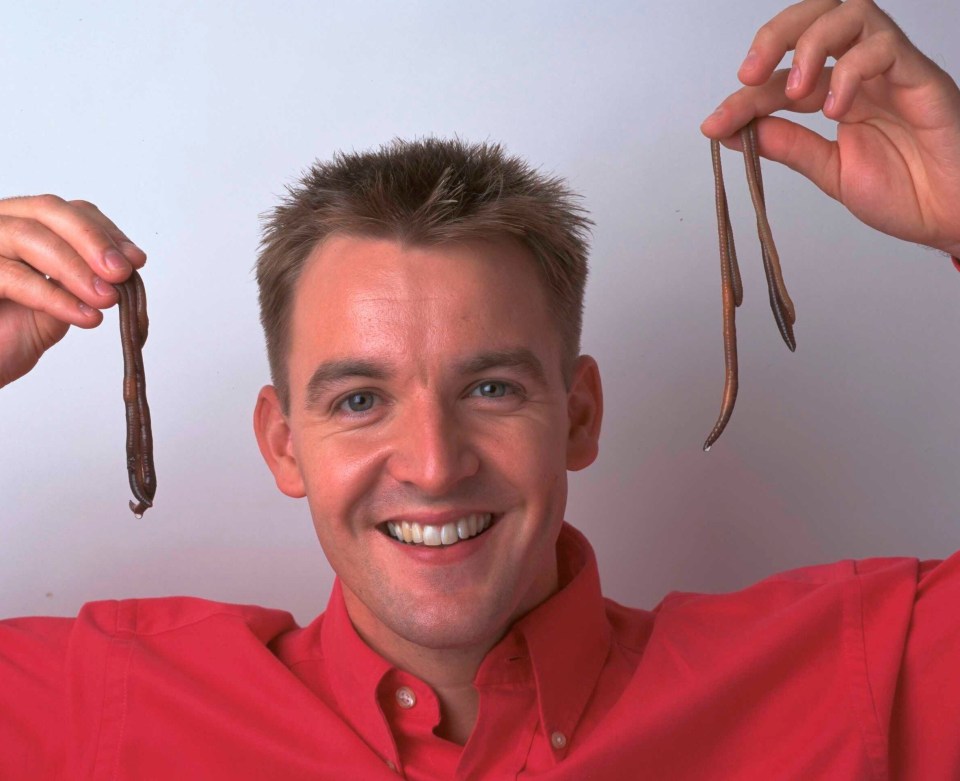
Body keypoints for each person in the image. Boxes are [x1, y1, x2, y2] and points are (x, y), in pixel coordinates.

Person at [2, 0, 958, 778]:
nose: (432, 464)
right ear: (284, 442)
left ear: (578, 415)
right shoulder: (113, 708)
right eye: (359, 400)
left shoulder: (849, 677)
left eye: (492, 387)